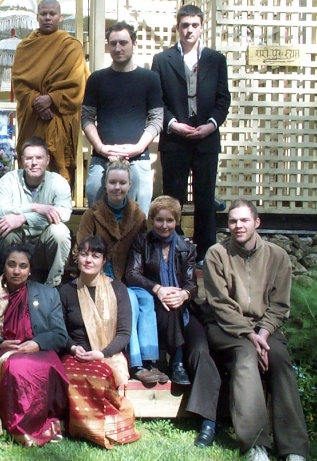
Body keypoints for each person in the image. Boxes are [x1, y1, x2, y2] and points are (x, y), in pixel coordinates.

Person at [202, 200, 308, 461]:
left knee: (280, 361)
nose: (238, 226)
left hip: (265, 331)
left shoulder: (277, 256)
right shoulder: (217, 254)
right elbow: (219, 303)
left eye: (244, 220)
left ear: (256, 222)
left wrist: (263, 333)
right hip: (226, 328)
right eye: (233, 221)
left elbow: (280, 304)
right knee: (247, 357)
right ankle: (255, 444)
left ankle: (293, 448)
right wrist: (250, 335)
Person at [125, 196, 220, 447]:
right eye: (159, 220)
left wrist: (184, 294)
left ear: (176, 221)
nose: (164, 225)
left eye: (169, 220)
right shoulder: (142, 243)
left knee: (200, 348)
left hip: (183, 310)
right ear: (152, 220)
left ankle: (207, 420)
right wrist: (157, 289)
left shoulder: (186, 247)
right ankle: (176, 362)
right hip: (156, 309)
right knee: (169, 301)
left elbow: (191, 285)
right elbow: (131, 274)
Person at [152, 4, 231, 263]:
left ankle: (206, 250)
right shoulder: (162, 60)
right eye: (185, 25)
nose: (189, 30)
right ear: (178, 27)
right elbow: (156, 100)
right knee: (174, 195)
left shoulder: (215, 59)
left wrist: (211, 124)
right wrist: (173, 124)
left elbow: (223, 99)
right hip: (175, 138)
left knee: (205, 195)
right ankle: (174, 246)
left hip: (206, 137)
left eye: (194, 25)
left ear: (201, 27)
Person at [0, 243, 68, 447]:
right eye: (11, 265)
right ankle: (22, 428)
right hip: (5, 352)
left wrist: (37, 343)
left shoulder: (48, 294)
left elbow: (60, 335)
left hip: (39, 350)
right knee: (17, 369)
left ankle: (47, 422)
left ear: (30, 269)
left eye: (23, 266)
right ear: (3, 266)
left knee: (47, 367)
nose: (16, 271)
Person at [77, 157, 163, 384]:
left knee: (145, 298)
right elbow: (83, 250)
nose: (117, 187)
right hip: (100, 278)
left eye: (122, 183)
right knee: (131, 302)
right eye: (113, 182)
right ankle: (136, 363)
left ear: (130, 185)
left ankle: (151, 359)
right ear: (105, 183)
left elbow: (144, 249)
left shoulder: (138, 215)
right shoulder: (92, 215)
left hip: (130, 276)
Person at [59, 236, 141, 449]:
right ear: (77, 257)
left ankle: (94, 427)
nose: (89, 260)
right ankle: (81, 427)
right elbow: (60, 331)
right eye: (84, 254)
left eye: (95, 256)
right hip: (75, 353)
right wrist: (72, 347)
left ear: (104, 260)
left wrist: (102, 354)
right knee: (72, 375)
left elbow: (124, 333)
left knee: (97, 375)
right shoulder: (66, 291)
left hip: (107, 354)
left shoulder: (118, 289)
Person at [82, 21, 163, 216]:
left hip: (138, 159)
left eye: (123, 43)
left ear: (134, 44)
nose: (118, 48)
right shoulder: (97, 79)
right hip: (102, 159)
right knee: (96, 217)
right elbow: (86, 117)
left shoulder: (150, 79)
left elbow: (157, 119)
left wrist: (139, 147)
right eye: (113, 43)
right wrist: (101, 147)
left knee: (138, 220)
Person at [12, 0, 87, 184]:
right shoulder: (25, 47)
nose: (47, 18)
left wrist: (52, 99)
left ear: (60, 17)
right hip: (32, 117)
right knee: (31, 167)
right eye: (43, 14)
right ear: (37, 17)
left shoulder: (71, 46)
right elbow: (19, 84)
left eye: (52, 14)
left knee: (58, 174)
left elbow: (77, 83)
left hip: (58, 117)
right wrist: (37, 101)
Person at [0, 136, 72, 287]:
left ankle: (52, 286)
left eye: (39, 158)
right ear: (22, 161)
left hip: (43, 243)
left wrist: (23, 218)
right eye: (29, 158)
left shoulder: (58, 182)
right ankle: (12, 285)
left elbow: (64, 213)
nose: (34, 163)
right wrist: (34, 207)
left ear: (47, 159)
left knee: (60, 231)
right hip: (17, 242)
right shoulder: (8, 180)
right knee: (7, 229)